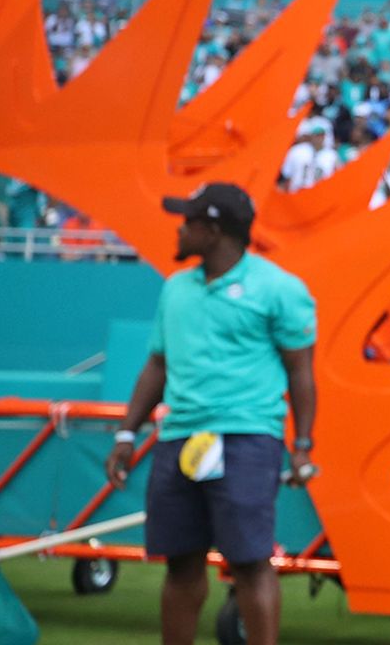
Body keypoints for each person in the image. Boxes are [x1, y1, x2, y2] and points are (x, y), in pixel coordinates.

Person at [104, 183, 318, 645]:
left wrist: (302, 446)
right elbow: (157, 365)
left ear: (214, 229)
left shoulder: (280, 288)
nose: (179, 230)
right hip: (178, 437)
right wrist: (126, 435)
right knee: (180, 561)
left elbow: (301, 371)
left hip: (247, 438)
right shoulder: (175, 288)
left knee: (249, 562)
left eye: (189, 221)